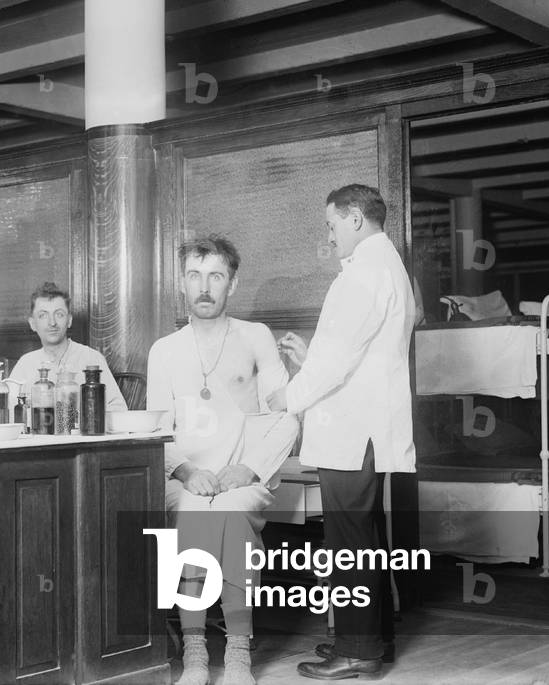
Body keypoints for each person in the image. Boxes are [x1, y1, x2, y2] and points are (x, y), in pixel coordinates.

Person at [268, 184, 416, 680]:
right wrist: (314, 358)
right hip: (365, 425)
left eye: (331, 224)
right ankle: (371, 643)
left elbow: (338, 360)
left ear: (354, 218)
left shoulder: (365, 272)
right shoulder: (386, 265)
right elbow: (358, 356)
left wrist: (286, 397)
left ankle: (359, 652)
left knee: (350, 542)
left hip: (354, 433)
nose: (328, 235)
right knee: (363, 538)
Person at [148, 236, 300, 685]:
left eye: (216, 276)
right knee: (195, 517)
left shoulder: (255, 337)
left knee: (231, 517)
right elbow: (156, 430)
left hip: (241, 476)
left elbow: (286, 414)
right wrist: (188, 472)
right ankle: (195, 653)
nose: (205, 287)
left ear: (232, 283)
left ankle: (237, 653)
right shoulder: (165, 350)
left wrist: (247, 470)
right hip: (184, 476)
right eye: (195, 276)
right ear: (182, 284)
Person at [7, 282, 127, 411]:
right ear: (32, 324)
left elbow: (118, 409)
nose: (52, 323)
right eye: (43, 315)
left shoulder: (91, 359)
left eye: (59, 314)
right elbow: (11, 413)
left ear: (69, 320)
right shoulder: (26, 363)